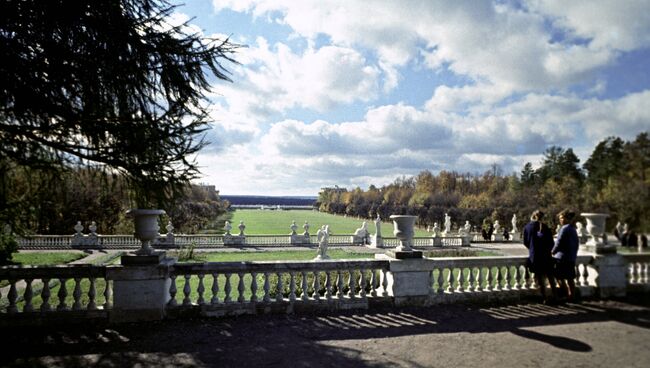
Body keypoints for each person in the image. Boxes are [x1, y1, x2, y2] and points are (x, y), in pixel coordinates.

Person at [523, 210, 557, 303]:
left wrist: (532, 248)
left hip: (535, 255)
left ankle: (545, 297)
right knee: (550, 276)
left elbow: (525, 242)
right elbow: (551, 243)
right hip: (546, 255)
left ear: (532, 216)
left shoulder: (527, 227)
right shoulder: (545, 227)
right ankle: (554, 295)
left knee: (540, 278)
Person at [552, 209, 580, 303]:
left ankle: (566, 294)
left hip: (562, 257)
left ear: (566, 218)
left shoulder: (564, 228)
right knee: (570, 278)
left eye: (561, 218)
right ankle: (572, 295)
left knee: (558, 276)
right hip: (571, 257)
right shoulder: (573, 229)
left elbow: (558, 243)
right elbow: (576, 244)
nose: (560, 220)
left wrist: (552, 252)